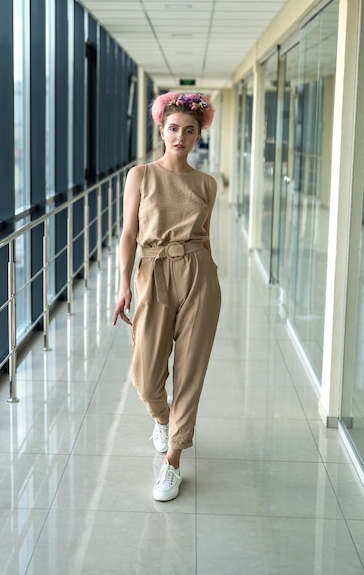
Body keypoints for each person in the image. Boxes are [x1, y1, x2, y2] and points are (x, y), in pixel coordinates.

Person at [112, 92, 221, 501]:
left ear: (198, 137)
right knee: (145, 373)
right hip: (153, 272)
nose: (180, 137)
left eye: (189, 131)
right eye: (173, 129)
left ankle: (173, 461)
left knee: (190, 371)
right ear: (161, 129)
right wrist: (123, 285)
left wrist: (208, 281)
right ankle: (163, 417)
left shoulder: (206, 184)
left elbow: (206, 238)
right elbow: (127, 235)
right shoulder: (140, 175)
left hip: (198, 274)